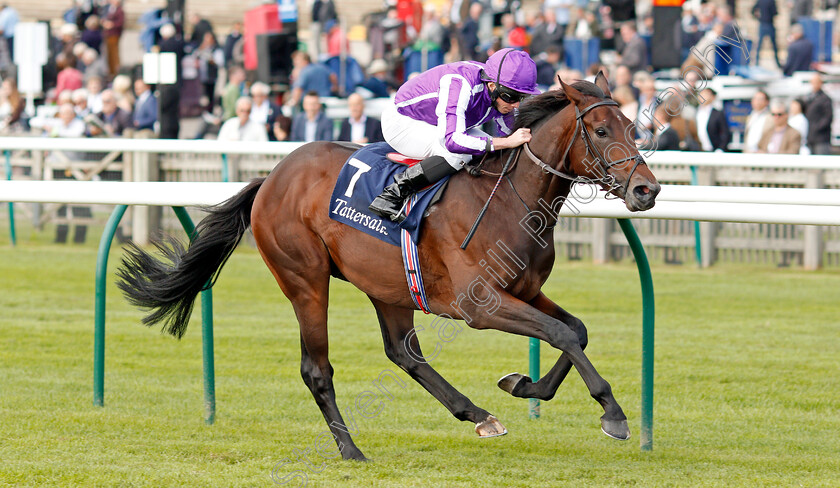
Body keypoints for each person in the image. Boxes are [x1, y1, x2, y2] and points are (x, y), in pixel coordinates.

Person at [368, 47, 539, 222]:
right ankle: (392, 194)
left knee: (492, 147)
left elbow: (512, 134)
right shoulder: (460, 83)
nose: (516, 105)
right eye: (511, 97)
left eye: (522, 97)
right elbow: (451, 140)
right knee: (460, 152)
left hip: (436, 121)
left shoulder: (500, 93)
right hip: (402, 121)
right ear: (492, 85)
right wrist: (505, 142)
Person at [804, 73, 833, 155]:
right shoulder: (809, 97)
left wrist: (816, 128)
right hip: (810, 137)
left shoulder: (825, 99)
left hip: (821, 138)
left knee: (821, 162)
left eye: (817, 82)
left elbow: (827, 118)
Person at [695, 88, 730, 152]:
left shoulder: (718, 114)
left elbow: (725, 133)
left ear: (712, 97)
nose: (702, 97)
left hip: (714, 150)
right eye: (700, 94)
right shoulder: (696, 112)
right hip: (698, 150)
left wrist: (720, 149)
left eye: (705, 94)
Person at [752, 0, 780, 67]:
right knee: (774, 45)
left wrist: (758, 17)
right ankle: (777, 62)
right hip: (769, 24)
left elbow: (753, 10)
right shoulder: (771, 1)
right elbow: (775, 12)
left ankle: (756, 62)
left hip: (763, 24)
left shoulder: (760, 1)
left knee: (759, 45)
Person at [101, 0, 124, 78]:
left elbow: (121, 22)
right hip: (108, 35)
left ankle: (115, 71)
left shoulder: (120, 10)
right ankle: (111, 71)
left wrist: (112, 24)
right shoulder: (109, 8)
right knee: (109, 54)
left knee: (114, 54)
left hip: (114, 34)